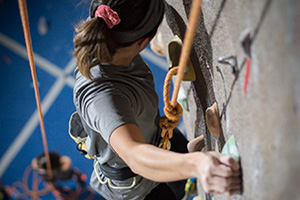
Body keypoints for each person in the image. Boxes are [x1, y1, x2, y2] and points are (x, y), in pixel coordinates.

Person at [72, 0, 241, 199]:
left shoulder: (110, 39)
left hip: (154, 134)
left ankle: (186, 183)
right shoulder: (102, 97)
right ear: (143, 42)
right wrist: (198, 164)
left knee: (178, 150)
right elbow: (135, 156)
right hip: (137, 184)